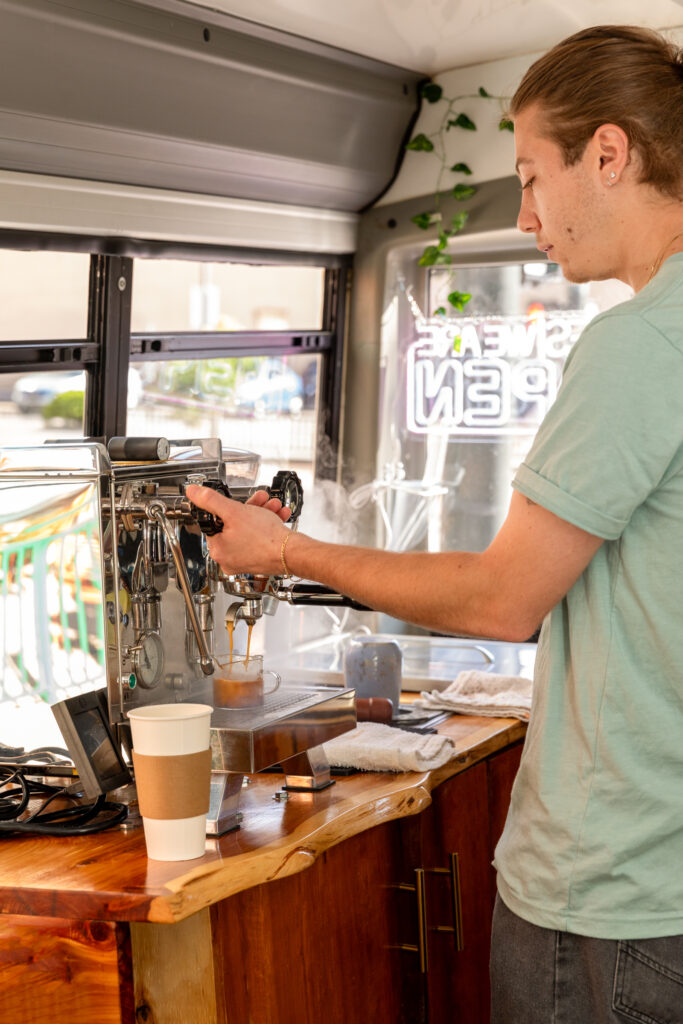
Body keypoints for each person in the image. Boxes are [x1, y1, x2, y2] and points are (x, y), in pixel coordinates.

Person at [187, 24, 683, 1023]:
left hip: (614, 888)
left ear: (608, 153)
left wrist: (279, 547)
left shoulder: (637, 345)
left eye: (530, 177)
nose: (524, 214)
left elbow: (504, 598)